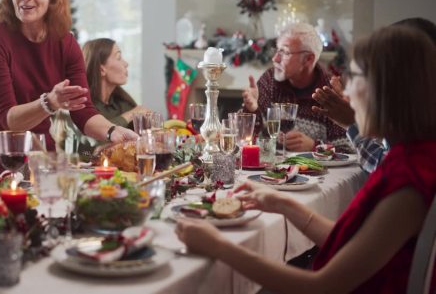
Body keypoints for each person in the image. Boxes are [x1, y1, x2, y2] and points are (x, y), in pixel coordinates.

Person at [176, 25, 436, 293]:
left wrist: (219, 247)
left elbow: (322, 285)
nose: (345, 94)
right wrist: (284, 203)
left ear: (385, 89)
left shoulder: (409, 178)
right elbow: (350, 242)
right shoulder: (410, 158)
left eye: (355, 77)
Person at [0, 0, 136, 178]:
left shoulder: (66, 44)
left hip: (39, 155)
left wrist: (114, 131)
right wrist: (49, 102)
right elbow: (8, 119)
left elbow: (84, 111)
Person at [312, 17, 436, 173]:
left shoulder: (413, 165)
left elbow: (390, 169)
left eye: (357, 76)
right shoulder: (412, 132)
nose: (348, 91)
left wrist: (353, 123)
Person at [241, 22, 352, 152]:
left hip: (317, 172)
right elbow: (246, 139)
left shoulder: (329, 91)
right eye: (277, 50)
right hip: (272, 169)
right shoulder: (269, 80)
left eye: (285, 52)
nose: (275, 59)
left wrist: (314, 146)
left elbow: (348, 151)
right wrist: (252, 109)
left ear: (308, 59)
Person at [82, 38, 151, 128]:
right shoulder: (83, 107)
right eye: (118, 58)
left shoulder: (122, 102)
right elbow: (96, 137)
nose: (126, 64)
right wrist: (132, 114)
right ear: (101, 70)